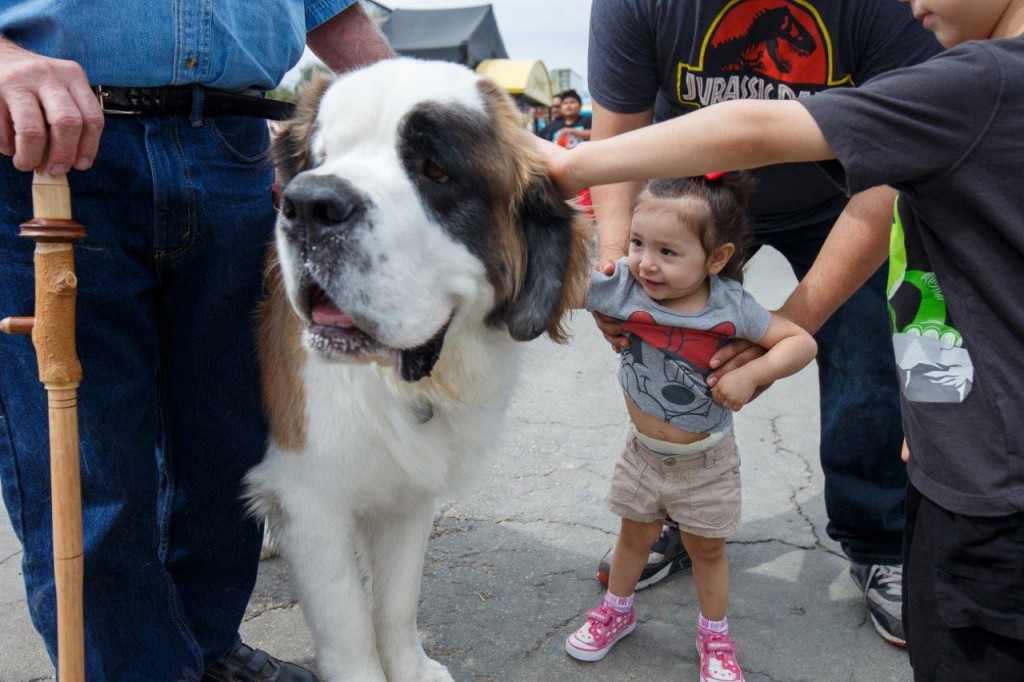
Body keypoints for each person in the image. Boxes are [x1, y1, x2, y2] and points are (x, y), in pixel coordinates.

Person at [546, 0, 1024, 677]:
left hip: (840, 196)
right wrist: (618, 269)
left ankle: (877, 539)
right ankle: (673, 518)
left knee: (865, 360)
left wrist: (780, 335)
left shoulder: (928, 37)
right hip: (691, 207)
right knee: (669, 339)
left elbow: (869, 168)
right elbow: (619, 129)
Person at [0, 2, 392, 680]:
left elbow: (330, 11)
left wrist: (433, 107)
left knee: (230, 445)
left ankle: (205, 647)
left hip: (233, 147)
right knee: (92, 467)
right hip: (53, 150)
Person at [565, 173, 817, 681]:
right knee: (633, 536)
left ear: (716, 259)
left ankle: (714, 636)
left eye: (667, 251)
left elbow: (801, 342)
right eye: (638, 243)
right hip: (642, 453)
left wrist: (754, 373)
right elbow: (557, 288)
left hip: (706, 461)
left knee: (706, 548)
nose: (646, 262)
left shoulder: (730, 306)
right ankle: (617, 610)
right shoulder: (624, 284)